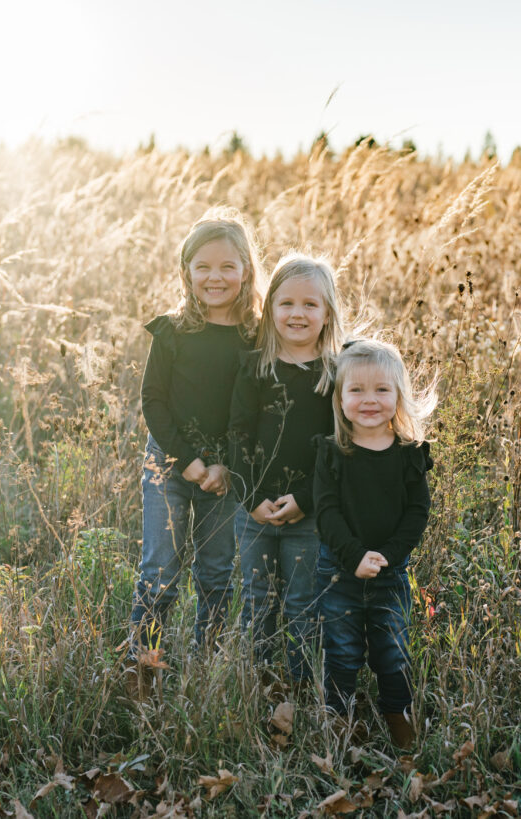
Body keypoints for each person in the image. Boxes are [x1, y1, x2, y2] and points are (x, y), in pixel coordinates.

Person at [128, 207, 265, 694]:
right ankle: (142, 667)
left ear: (247, 269)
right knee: (160, 569)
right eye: (203, 266)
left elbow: (253, 410)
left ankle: (205, 668)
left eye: (228, 266)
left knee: (215, 573)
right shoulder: (172, 331)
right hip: (168, 464)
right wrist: (189, 462)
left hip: (226, 474)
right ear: (185, 271)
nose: (215, 277)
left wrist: (226, 465)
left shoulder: (255, 336)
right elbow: (153, 401)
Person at [228, 253, 345, 689]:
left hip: (308, 516)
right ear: (270, 307)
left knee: (301, 601)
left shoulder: (336, 374)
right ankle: (254, 683)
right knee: (257, 600)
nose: (297, 314)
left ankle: (298, 684)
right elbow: (237, 437)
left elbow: (338, 449)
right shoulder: (255, 366)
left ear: (327, 311)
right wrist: (251, 498)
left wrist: (305, 502)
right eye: (287, 303)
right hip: (253, 511)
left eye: (310, 305)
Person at [313, 338, 436, 749]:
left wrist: (388, 555)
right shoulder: (332, 452)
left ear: (399, 395)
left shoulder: (409, 453)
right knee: (342, 654)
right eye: (357, 390)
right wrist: (353, 557)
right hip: (339, 571)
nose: (370, 400)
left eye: (382, 390)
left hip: (390, 572)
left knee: (393, 654)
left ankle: (402, 732)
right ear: (340, 396)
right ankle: (339, 731)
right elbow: (326, 512)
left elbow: (417, 513)